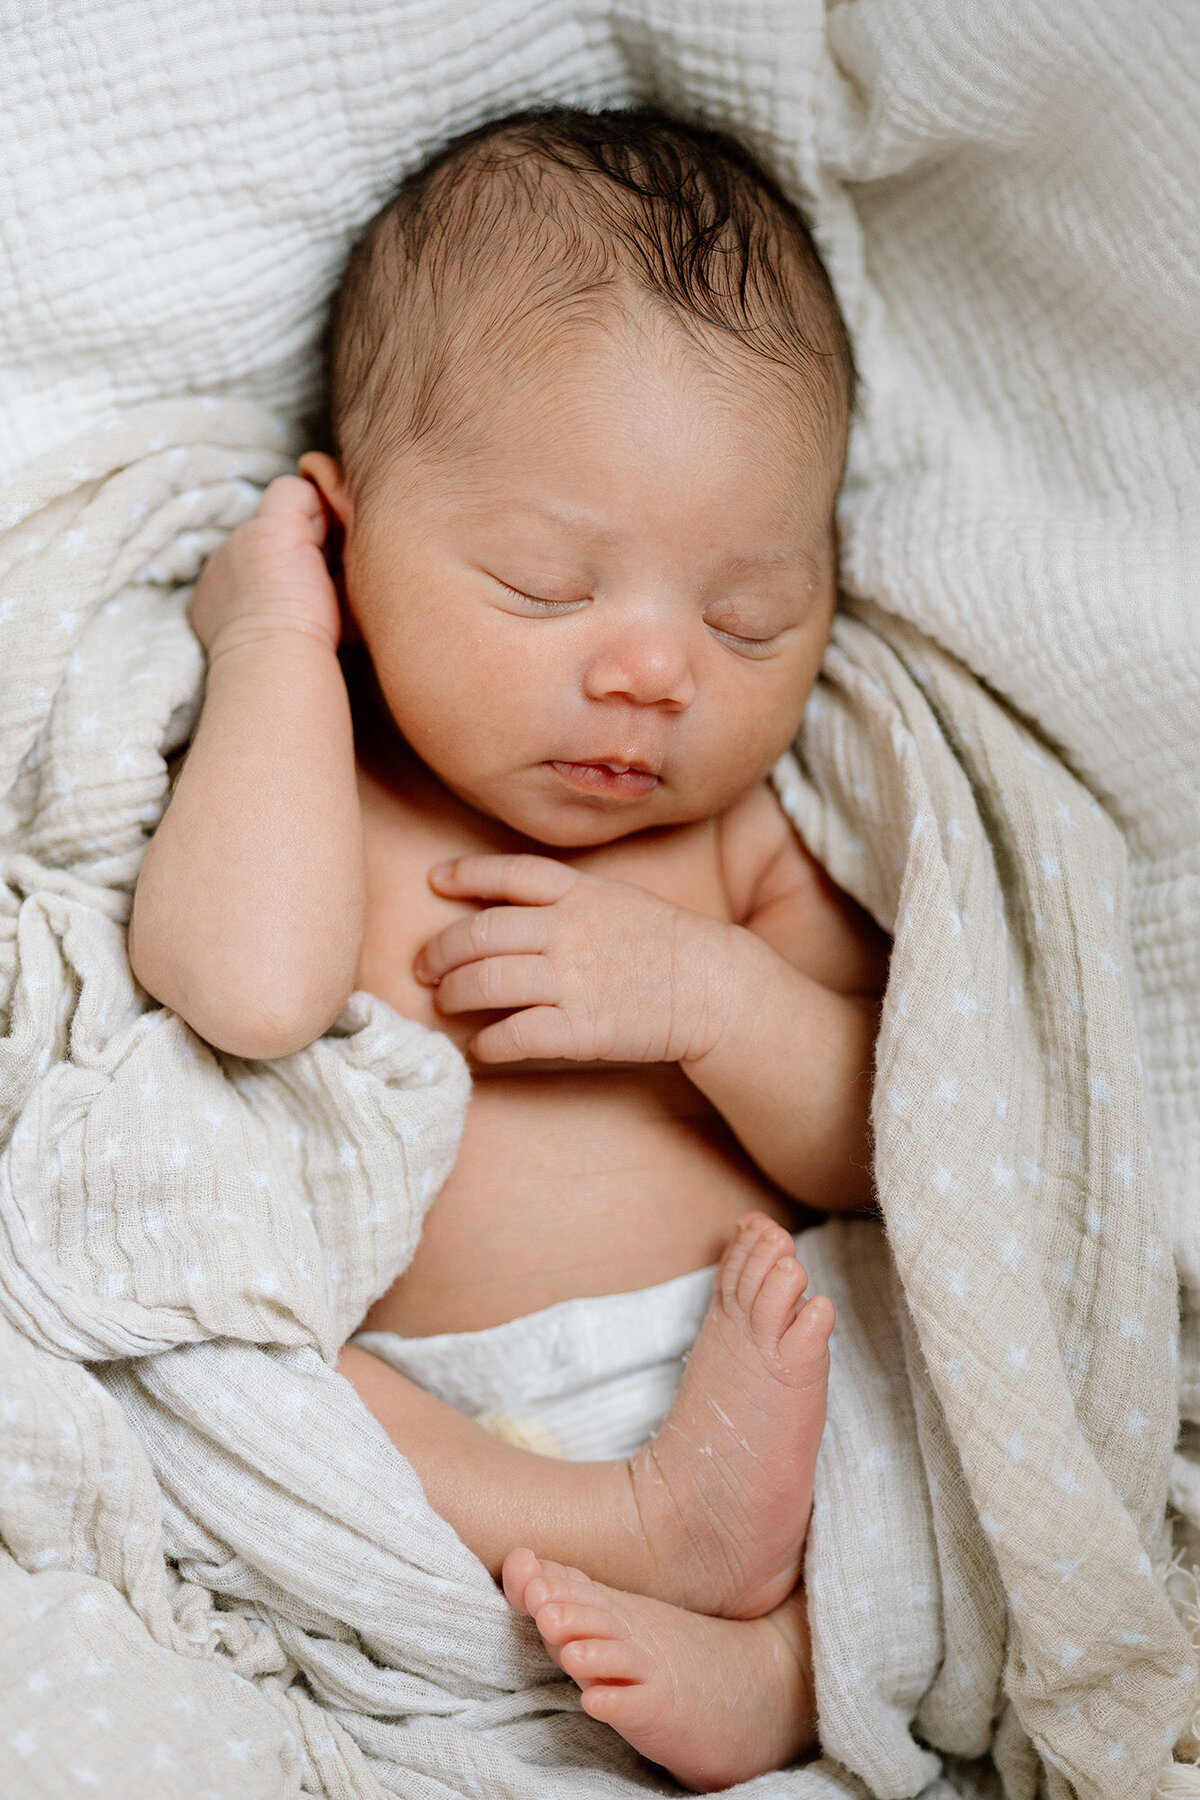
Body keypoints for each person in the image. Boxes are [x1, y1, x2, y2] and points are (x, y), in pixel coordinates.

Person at [128, 107, 889, 1791]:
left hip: (758, 1356)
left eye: (749, 614)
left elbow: (882, 1147)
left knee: (913, 1406)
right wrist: (271, 643)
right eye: (546, 587)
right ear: (346, 536)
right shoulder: (332, 785)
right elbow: (245, 991)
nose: (653, 671)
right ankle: (643, 1539)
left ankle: (796, 1665)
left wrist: (715, 996)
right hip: (455, 1443)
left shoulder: (735, 840)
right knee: (243, 1375)